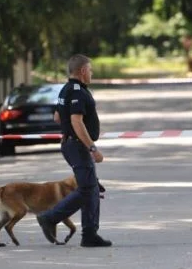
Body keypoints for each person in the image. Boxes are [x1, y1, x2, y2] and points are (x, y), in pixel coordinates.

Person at [36, 54, 112, 247]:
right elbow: (75, 121)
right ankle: (50, 218)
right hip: (78, 146)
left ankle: (89, 234)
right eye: (91, 70)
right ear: (83, 71)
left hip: (72, 144)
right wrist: (92, 148)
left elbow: (57, 117)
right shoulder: (78, 91)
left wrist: (69, 133)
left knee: (91, 189)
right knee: (87, 189)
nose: (92, 73)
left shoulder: (65, 90)